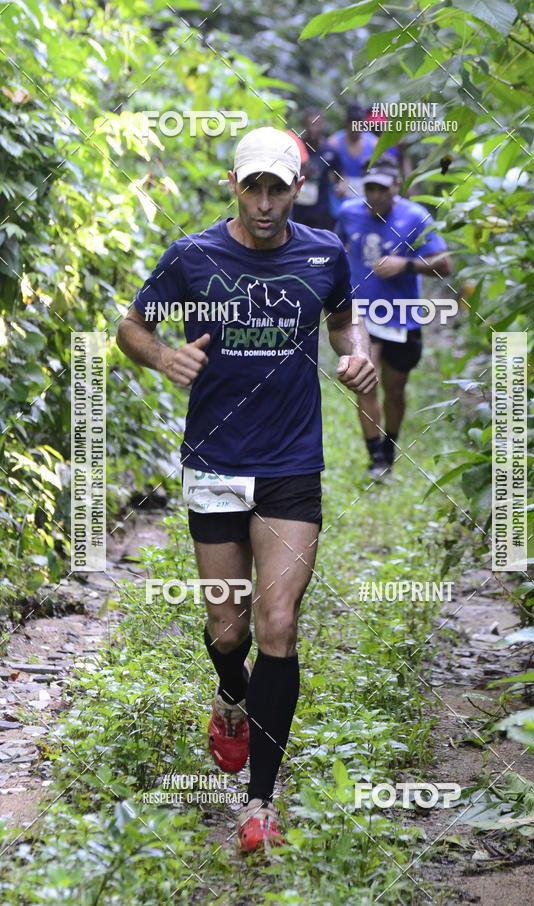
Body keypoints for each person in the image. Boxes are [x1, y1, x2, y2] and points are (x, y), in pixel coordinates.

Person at [115, 126, 376, 852]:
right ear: (234, 185)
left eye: (277, 189)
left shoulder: (324, 252)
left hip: (292, 462)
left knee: (278, 623)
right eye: (252, 187)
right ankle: (231, 689)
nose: (264, 203)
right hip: (216, 461)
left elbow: (345, 322)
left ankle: (259, 803)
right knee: (229, 630)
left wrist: (355, 357)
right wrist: (162, 355)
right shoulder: (192, 256)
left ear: (298, 189)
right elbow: (131, 326)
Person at [336, 154, 452, 481]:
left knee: (395, 389)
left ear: (396, 187)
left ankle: (389, 448)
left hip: (401, 317)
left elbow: (445, 265)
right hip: (362, 314)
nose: (375, 196)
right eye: (369, 188)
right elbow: (337, 248)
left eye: (381, 189)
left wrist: (406, 265)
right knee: (365, 383)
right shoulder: (348, 213)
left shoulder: (415, 217)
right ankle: (375, 457)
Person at [325, 102, 378, 218]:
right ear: (346, 122)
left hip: (365, 198)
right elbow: (326, 171)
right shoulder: (333, 143)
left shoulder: (374, 144)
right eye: (352, 121)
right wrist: (337, 181)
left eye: (359, 121)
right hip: (339, 199)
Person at [292, 107, 340, 230]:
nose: (313, 129)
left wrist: (341, 185)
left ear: (323, 125)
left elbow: (340, 175)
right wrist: (302, 173)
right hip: (297, 208)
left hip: (321, 209)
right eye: (309, 124)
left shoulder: (330, 151)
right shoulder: (296, 148)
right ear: (304, 125)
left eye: (317, 124)